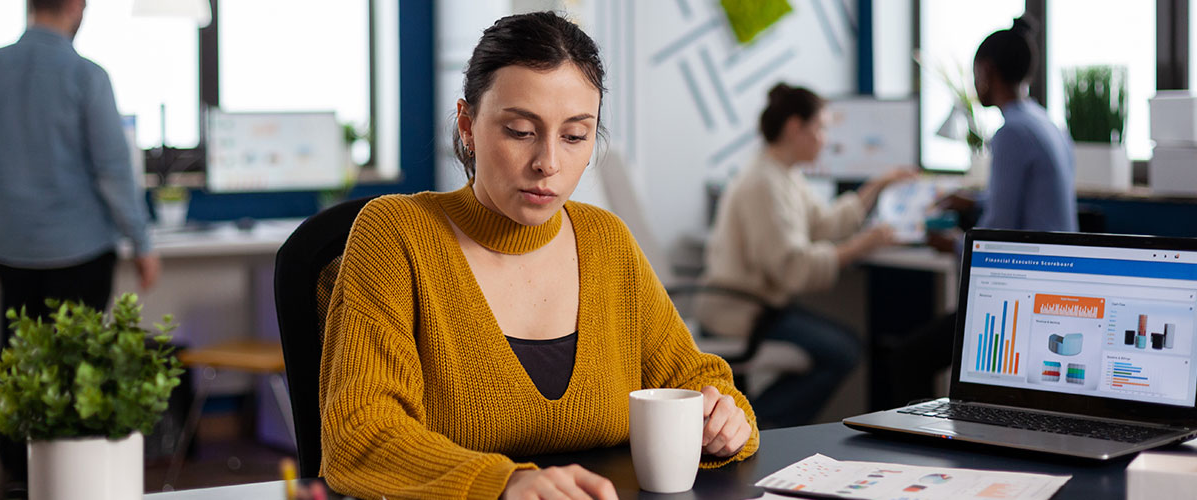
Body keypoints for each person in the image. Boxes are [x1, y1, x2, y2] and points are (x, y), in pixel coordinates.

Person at [318, 12, 757, 500]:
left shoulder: (605, 240)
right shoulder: (396, 234)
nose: (548, 162)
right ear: (468, 125)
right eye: (522, 130)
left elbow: (694, 380)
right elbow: (360, 436)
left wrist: (725, 418)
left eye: (574, 136)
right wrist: (506, 484)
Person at [875, 17, 1078, 409]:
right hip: (1056, 283)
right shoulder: (1044, 122)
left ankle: (920, 448)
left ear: (986, 72)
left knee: (907, 358)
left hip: (1025, 293)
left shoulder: (1010, 134)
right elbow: (1030, 206)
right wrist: (975, 202)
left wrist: (946, 242)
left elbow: (995, 241)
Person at [0, 0, 158, 492]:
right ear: (75, 7)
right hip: (81, 249)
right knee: (78, 372)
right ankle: (74, 484)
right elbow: (113, 171)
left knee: (20, 366)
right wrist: (143, 242)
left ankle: (23, 479)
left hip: (11, 248)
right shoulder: (86, 75)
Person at [696, 84, 916, 428]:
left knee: (842, 346)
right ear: (795, 127)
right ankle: (752, 425)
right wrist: (861, 246)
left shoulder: (784, 175)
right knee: (843, 351)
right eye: (821, 128)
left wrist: (878, 185)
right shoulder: (763, 183)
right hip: (744, 310)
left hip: (761, 304)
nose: (826, 139)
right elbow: (794, 269)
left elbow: (824, 223)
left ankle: (749, 422)